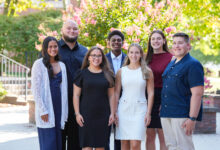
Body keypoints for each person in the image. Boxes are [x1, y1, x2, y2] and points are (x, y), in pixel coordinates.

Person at [160, 32, 204, 150]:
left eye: (180, 43)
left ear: (188, 46)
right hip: (166, 112)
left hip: (181, 114)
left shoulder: (193, 64)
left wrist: (192, 118)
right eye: (174, 43)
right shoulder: (172, 63)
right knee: (171, 146)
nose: (176, 46)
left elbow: (197, 94)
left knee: (184, 147)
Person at [73, 46, 115, 150]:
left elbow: (112, 96)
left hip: (103, 116)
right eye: (93, 55)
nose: (96, 58)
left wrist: (112, 113)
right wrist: (77, 114)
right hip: (86, 116)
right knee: (86, 147)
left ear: (102, 58)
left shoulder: (108, 74)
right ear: (88, 58)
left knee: (100, 147)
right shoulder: (81, 74)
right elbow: (76, 95)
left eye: (99, 55)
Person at [31, 36, 68, 150]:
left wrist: (65, 112)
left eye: (55, 46)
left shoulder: (62, 65)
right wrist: (43, 110)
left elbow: (65, 90)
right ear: (45, 48)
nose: (53, 49)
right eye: (50, 46)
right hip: (47, 108)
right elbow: (35, 89)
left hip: (59, 108)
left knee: (59, 144)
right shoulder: (38, 64)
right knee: (49, 145)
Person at [115, 43, 154, 150]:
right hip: (124, 109)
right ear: (128, 54)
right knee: (124, 142)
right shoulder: (121, 71)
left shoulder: (147, 71)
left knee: (135, 144)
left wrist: (148, 113)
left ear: (141, 54)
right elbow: (116, 93)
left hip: (140, 110)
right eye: (131, 52)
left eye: (137, 52)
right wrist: (115, 111)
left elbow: (151, 93)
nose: (134, 55)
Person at [58, 20, 88, 150]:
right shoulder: (53, 48)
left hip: (79, 104)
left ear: (78, 31)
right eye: (68, 28)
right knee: (58, 141)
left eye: (75, 29)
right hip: (58, 102)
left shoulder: (85, 51)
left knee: (75, 142)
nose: (72, 31)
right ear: (62, 30)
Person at [145, 30, 172, 150]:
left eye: (158, 38)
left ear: (164, 40)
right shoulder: (145, 58)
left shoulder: (171, 58)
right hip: (148, 97)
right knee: (149, 135)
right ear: (150, 42)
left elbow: (171, 82)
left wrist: (165, 102)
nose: (156, 41)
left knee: (163, 135)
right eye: (153, 39)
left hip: (164, 97)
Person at [105, 30, 126, 150]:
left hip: (123, 102)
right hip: (105, 101)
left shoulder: (129, 59)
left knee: (120, 135)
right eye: (113, 40)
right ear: (109, 43)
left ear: (123, 43)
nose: (116, 42)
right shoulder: (102, 59)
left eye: (119, 40)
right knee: (104, 135)